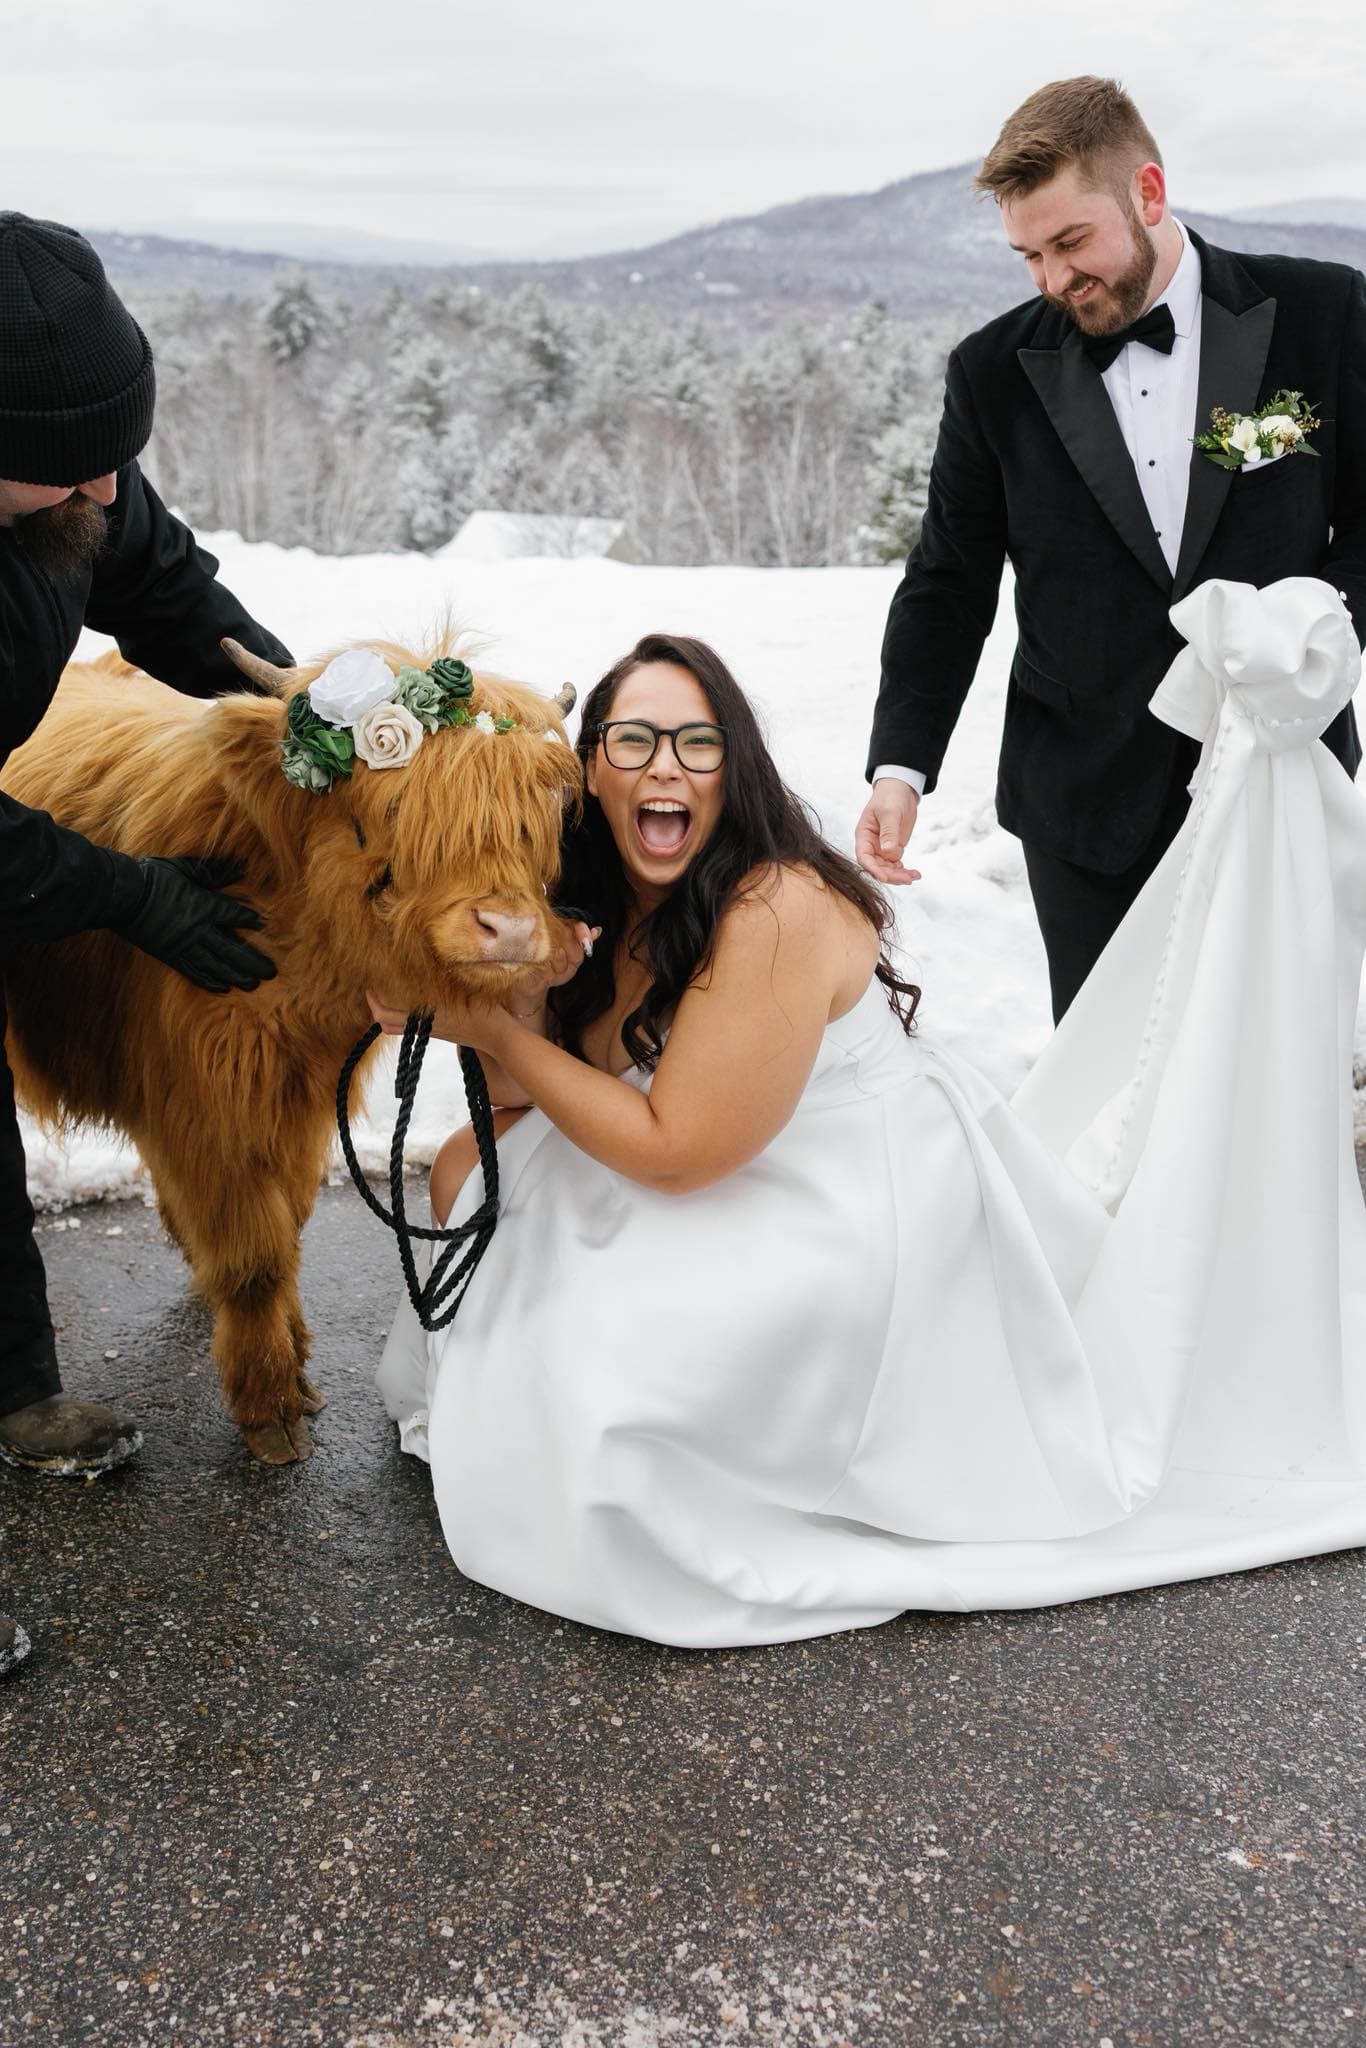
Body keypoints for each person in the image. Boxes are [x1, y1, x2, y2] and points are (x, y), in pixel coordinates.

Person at [374, 601, 1366, 1649]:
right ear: (592, 771)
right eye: (632, 739)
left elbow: (677, 1152)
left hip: (855, 1198)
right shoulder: (602, 897)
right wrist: (518, 1005)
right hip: (732, 1161)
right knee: (465, 1169)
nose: (664, 765)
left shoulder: (772, 908)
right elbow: (531, 1109)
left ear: (733, 767)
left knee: (616, 1373)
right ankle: (539, 1400)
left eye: (696, 741)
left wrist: (486, 1028)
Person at [854, 75, 1364, 1022]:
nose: (1051, 280)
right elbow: (947, 581)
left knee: (1273, 1072)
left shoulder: (1325, 313)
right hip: (1084, 811)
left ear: (1149, 194)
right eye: (1028, 256)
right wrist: (900, 765)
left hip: (1280, 782)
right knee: (1106, 1110)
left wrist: (1320, 623)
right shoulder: (990, 373)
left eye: (1070, 243)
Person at [0, 213, 291, 1674]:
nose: (107, 483)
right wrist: (136, 894)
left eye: (121, 446)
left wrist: (303, 706)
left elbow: (166, 588)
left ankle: (16, 1391)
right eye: (74, 464)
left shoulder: (71, 463)